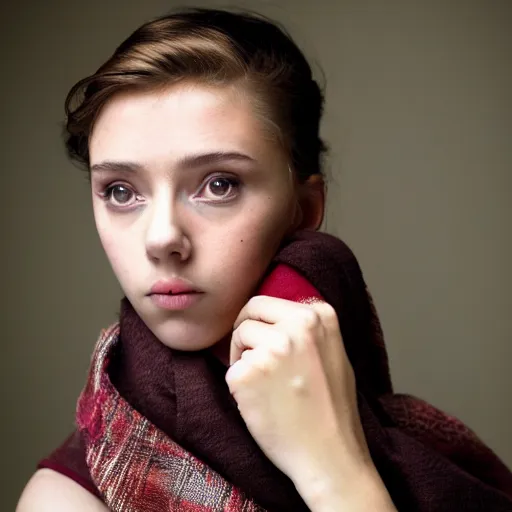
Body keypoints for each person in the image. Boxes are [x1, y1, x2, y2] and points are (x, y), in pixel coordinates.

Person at [17, 7, 512, 512]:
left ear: (304, 209)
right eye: (121, 191)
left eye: (219, 184)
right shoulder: (69, 499)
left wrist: (336, 469)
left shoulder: (420, 453)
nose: (162, 237)